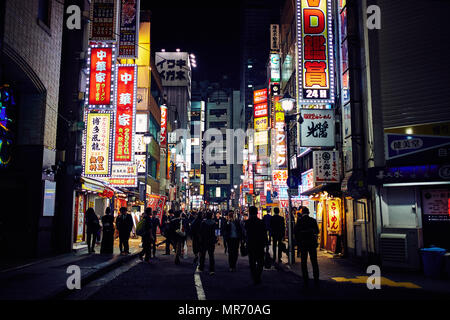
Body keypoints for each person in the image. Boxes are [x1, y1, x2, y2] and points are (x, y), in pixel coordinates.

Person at [294, 206, 320, 288]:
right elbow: (317, 231)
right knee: (314, 262)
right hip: (312, 243)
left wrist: (299, 241)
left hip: (303, 244)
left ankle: (306, 280)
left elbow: (296, 232)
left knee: (304, 262)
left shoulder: (300, 221)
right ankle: (316, 279)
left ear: (302, 213)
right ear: (308, 212)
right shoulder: (312, 220)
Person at [244, 206, 268, 285]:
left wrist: (244, 242)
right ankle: (258, 276)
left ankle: (255, 277)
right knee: (260, 261)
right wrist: (266, 244)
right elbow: (264, 234)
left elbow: (246, 234)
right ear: (257, 213)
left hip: (251, 244)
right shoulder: (261, 222)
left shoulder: (247, 222)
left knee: (252, 262)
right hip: (260, 244)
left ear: (250, 213)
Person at [198, 211, 217, 275]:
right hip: (211, 241)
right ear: (211, 216)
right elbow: (215, 232)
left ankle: (201, 268)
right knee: (211, 255)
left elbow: (200, 232)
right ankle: (212, 269)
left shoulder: (203, 223)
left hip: (204, 241)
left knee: (203, 255)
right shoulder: (214, 223)